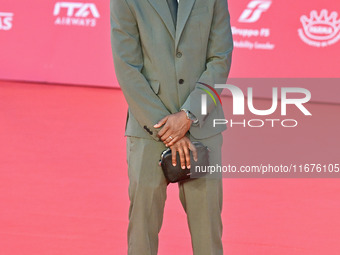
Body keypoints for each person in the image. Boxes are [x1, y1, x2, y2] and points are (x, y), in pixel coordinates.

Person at [110, 0, 233, 254]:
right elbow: (127, 68)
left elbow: (220, 59)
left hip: (202, 126)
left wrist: (189, 114)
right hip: (148, 131)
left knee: (208, 235)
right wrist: (168, 129)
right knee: (141, 233)